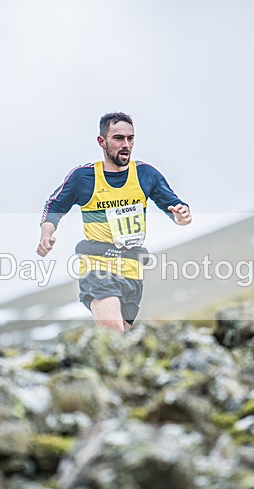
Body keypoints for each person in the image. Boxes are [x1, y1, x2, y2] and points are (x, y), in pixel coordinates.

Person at [37, 112, 192, 331]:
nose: (126, 144)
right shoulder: (83, 177)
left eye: (130, 138)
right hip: (97, 266)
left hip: (132, 269)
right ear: (102, 141)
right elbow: (54, 206)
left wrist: (182, 216)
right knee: (113, 330)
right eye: (118, 138)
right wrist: (46, 235)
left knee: (124, 340)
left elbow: (176, 209)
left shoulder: (146, 174)